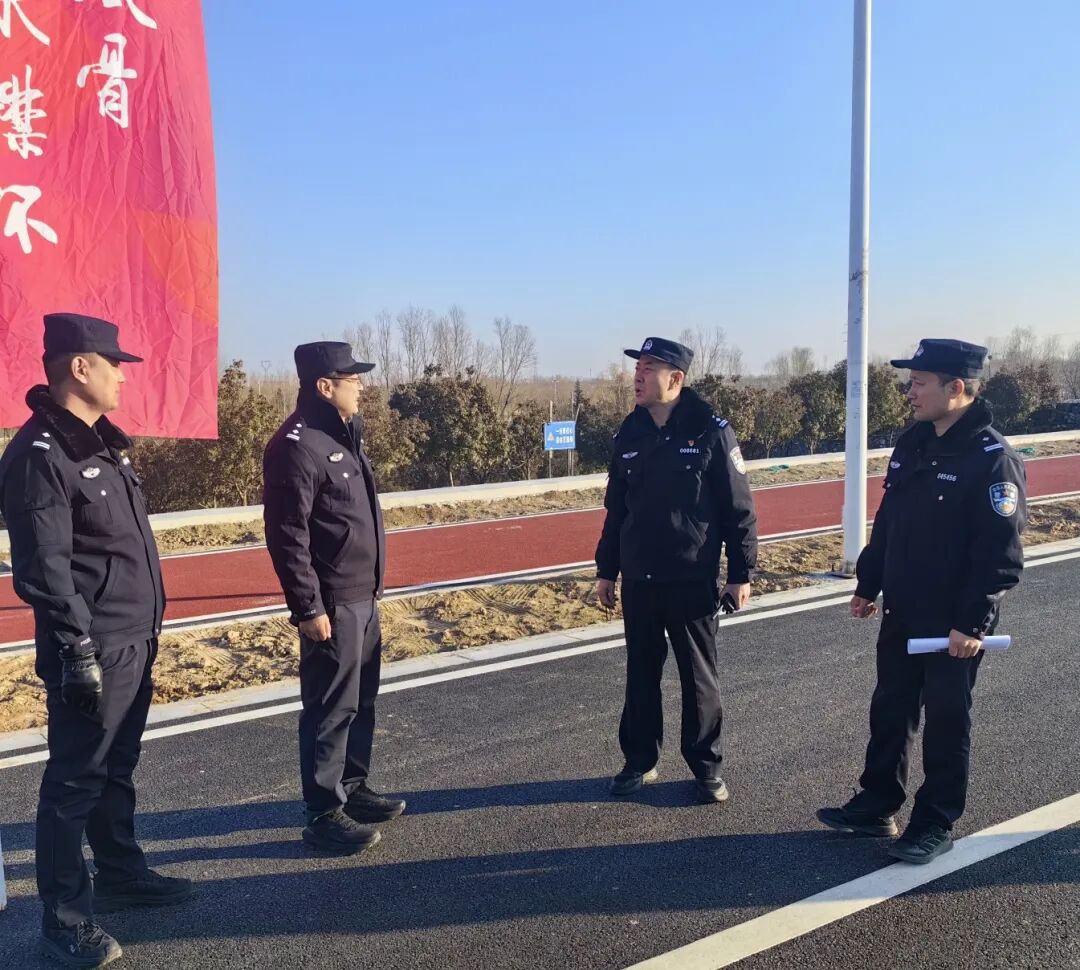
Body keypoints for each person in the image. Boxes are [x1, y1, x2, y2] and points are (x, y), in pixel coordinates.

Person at [0, 313, 193, 968]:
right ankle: (64, 922)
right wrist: (77, 650)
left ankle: (120, 873)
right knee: (74, 782)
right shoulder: (39, 455)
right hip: (92, 646)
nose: (122, 377)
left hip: (132, 637)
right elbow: (45, 568)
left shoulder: (98, 446)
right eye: (114, 364)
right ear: (79, 367)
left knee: (116, 767)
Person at [817, 339, 1027, 864]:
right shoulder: (914, 443)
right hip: (903, 609)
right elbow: (889, 522)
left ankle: (935, 820)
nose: (909, 392)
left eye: (919, 383)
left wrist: (972, 623)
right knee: (891, 707)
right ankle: (877, 803)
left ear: (956, 388)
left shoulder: (992, 460)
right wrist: (868, 583)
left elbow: (1000, 554)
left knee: (947, 720)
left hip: (952, 622)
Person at [595, 336, 758, 803]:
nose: (638, 376)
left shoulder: (710, 431)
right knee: (641, 675)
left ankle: (706, 767)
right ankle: (639, 761)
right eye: (637, 368)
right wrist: (607, 569)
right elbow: (616, 510)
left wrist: (741, 574)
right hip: (639, 578)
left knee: (698, 677)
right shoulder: (629, 432)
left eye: (648, 368)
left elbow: (739, 509)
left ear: (676, 379)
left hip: (691, 578)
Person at [263, 341, 405, 855]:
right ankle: (323, 812)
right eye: (353, 379)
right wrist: (308, 606)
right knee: (329, 708)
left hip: (362, 595)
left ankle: (353, 787)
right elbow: (288, 535)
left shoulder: (342, 436)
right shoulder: (296, 446)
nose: (361, 386)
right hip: (332, 602)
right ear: (325, 386)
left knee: (360, 701)